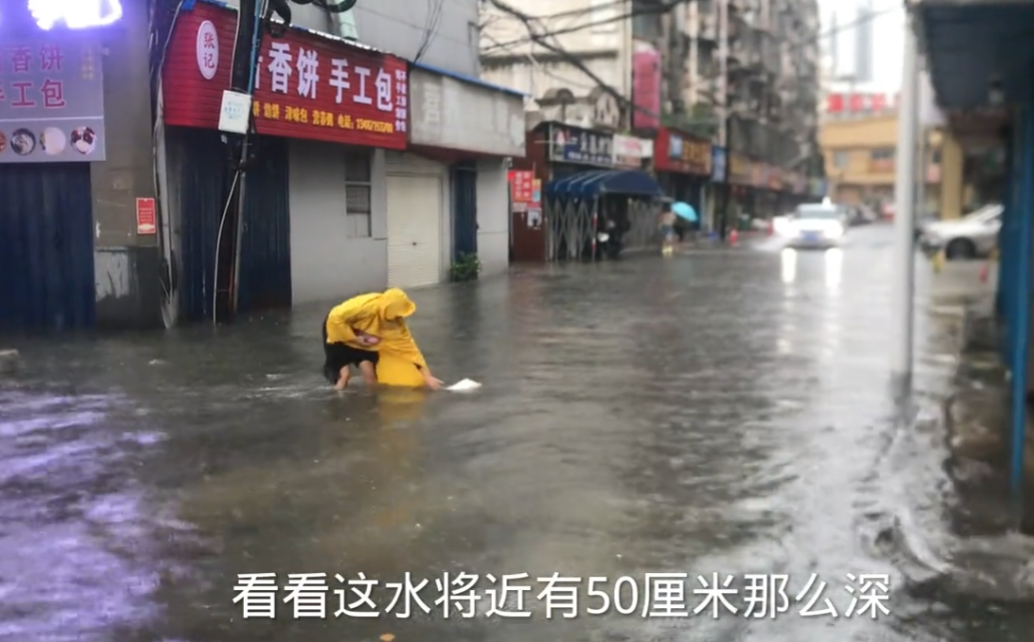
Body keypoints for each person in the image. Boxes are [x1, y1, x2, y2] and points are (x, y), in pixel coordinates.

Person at [322, 288, 444, 391]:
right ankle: (336, 410)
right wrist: (354, 338)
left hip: (365, 337)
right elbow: (334, 318)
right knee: (344, 376)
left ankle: (373, 409)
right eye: (396, 314)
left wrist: (427, 377)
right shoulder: (364, 307)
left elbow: (411, 350)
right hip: (335, 331)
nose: (399, 318)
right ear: (388, 309)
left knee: (370, 374)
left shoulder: (396, 324)